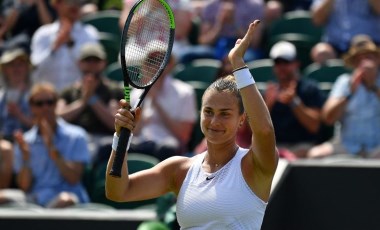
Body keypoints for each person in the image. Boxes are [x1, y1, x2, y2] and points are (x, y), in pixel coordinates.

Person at [106, 20, 278, 229]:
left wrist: (238, 63)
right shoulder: (180, 170)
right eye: (208, 112)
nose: (214, 121)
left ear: (242, 119)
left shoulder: (255, 165)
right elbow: (118, 191)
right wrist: (121, 139)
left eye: (225, 114)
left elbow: (265, 130)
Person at [10, 82, 90, 208]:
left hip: (67, 198)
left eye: (50, 102)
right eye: (39, 104)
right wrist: (26, 158)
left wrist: (52, 147)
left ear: (56, 104)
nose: (45, 107)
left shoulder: (76, 136)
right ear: (32, 107)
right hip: (36, 198)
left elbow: (73, 178)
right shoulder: (25, 141)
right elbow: (24, 186)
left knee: (65, 200)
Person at [307, 36, 380, 159]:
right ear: (354, 63)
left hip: (377, 147)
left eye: (369, 57)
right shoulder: (344, 82)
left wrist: (373, 86)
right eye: (359, 60)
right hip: (346, 146)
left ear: (377, 60)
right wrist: (349, 93)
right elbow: (328, 118)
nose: (364, 64)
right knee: (315, 155)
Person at [128, 48, 197, 161]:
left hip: (167, 147)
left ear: (170, 65)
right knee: (109, 147)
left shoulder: (185, 92)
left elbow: (184, 136)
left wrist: (156, 102)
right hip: (140, 144)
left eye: (162, 60)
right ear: (144, 65)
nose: (156, 66)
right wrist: (145, 98)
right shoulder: (136, 94)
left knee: (167, 149)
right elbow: (134, 132)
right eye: (151, 61)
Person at [56, 42, 123, 159]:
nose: (91, 65)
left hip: (104, 141)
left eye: (96, 61)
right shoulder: (69, 91)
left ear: (104, 63)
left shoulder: (113, 90)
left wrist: (92, 99)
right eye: (88, 61)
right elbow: (59, 117)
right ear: (79, 63)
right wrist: (83, 101)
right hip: (74, 139)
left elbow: (115, 124)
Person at [264, 41, 326, 158]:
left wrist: (294, 102)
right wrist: (268, 104)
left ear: (296, 64)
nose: (281, 67)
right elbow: (256, 131)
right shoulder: (269, 92)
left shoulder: (310, 88)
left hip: (304, 147)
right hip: (275, 148)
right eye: (277, 63)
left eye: (286, 62)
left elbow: (315, 126)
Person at [30, 0, 99, 92]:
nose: (74, 6)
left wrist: (71, 44)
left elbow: (92, 69)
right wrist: (54, 48)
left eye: (77, 2)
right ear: (57, 4)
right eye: (69, 1)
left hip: (78, 96)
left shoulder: (90, 34)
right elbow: (35, 71)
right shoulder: (42, 34)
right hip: (47, 101)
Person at [198, 0, 265, 61]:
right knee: (190, 55)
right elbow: (203, 41)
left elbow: (254, 43)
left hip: (243, 48)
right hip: (216, 46)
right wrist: (219, 25)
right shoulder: (210, 6)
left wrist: (234, 22)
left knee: (248, 58)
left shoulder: (254, 5)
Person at [310, 0, 380, 56]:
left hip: (369, 44)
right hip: (335, 44)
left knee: (368, 60)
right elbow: (316, 20)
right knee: (321, 52)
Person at [0, 47, 33, 142]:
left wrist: (20, 115)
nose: (16, 69)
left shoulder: (37, 95)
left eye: (20, 64)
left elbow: (44, 125)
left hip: (29, 145)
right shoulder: (1, 96)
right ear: (5, 70)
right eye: (11, 65)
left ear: (27, 68)